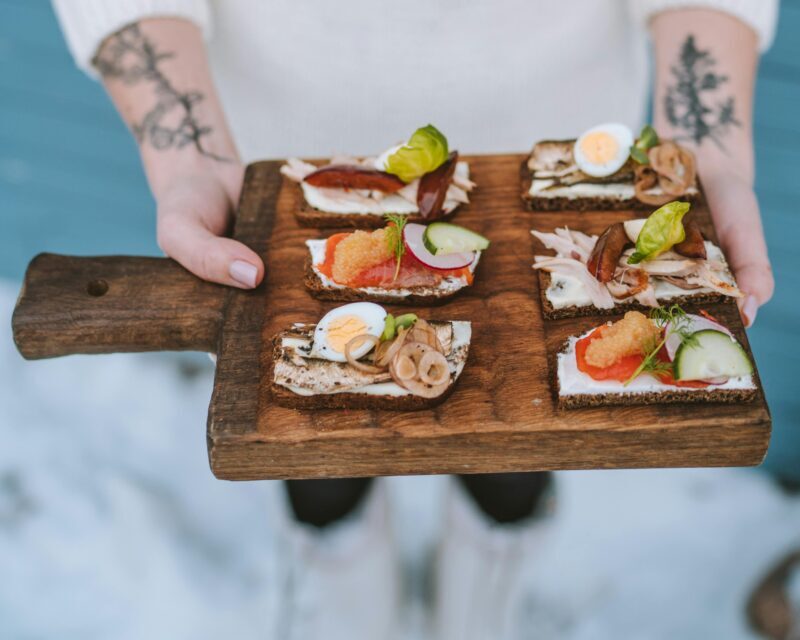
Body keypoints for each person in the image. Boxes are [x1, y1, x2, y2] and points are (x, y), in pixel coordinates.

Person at [52, 2, 778, 638]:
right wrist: (187, 160)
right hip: (275, 152)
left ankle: (484, 597)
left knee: (519, 437)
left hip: (570, 151)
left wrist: (708, 158)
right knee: (317, 445)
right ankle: (343, 596)